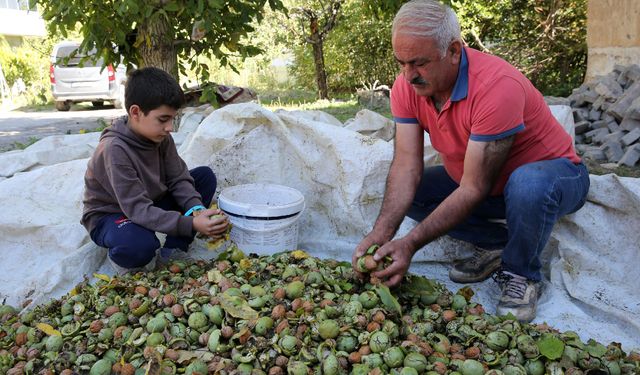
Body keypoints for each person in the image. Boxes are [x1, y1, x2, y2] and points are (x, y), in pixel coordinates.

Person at [352, 0, 590, 322]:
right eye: (402, 63)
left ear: (453, 50)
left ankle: (521, 272)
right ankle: (494, 244)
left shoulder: (496, 88)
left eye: (419, 63)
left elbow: (474, 187)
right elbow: (406, 166)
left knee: (528, 184)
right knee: (415, 192)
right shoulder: (406, 87)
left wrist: (410, 244)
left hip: (556, 178)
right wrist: (381, 235)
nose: (408, 76)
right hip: (487, 185)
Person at [81, 67, 229, 275]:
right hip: (114, 214)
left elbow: (178, 179)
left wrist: (196, 209)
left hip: (149, 201)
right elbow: (138, 209)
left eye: (172, 119)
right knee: (139, 246)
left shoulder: (161, 138)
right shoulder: (114, 149)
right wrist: (191, 224)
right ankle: (124, 252)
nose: (170, 128)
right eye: (163, 119)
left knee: (203, 177)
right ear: (135, 112)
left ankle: (174, 248)